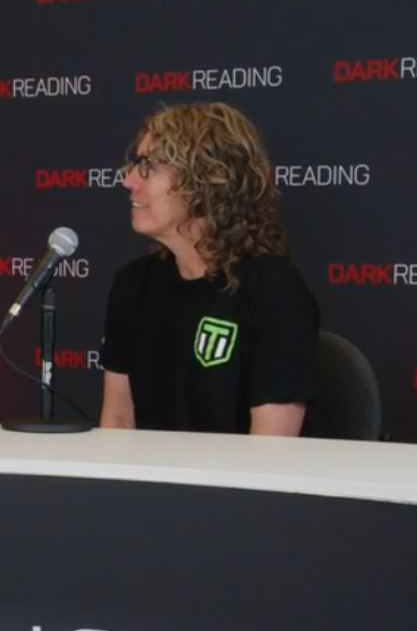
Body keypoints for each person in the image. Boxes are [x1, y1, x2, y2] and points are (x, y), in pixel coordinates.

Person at [99, 102, 319, 436]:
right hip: (148, 486)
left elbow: (272, 455)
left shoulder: (274, 292)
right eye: (134, 164)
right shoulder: (134, 283)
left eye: (149, 165)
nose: (129, 180)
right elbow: (117, 421)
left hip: (231, 487)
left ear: (206, 180)